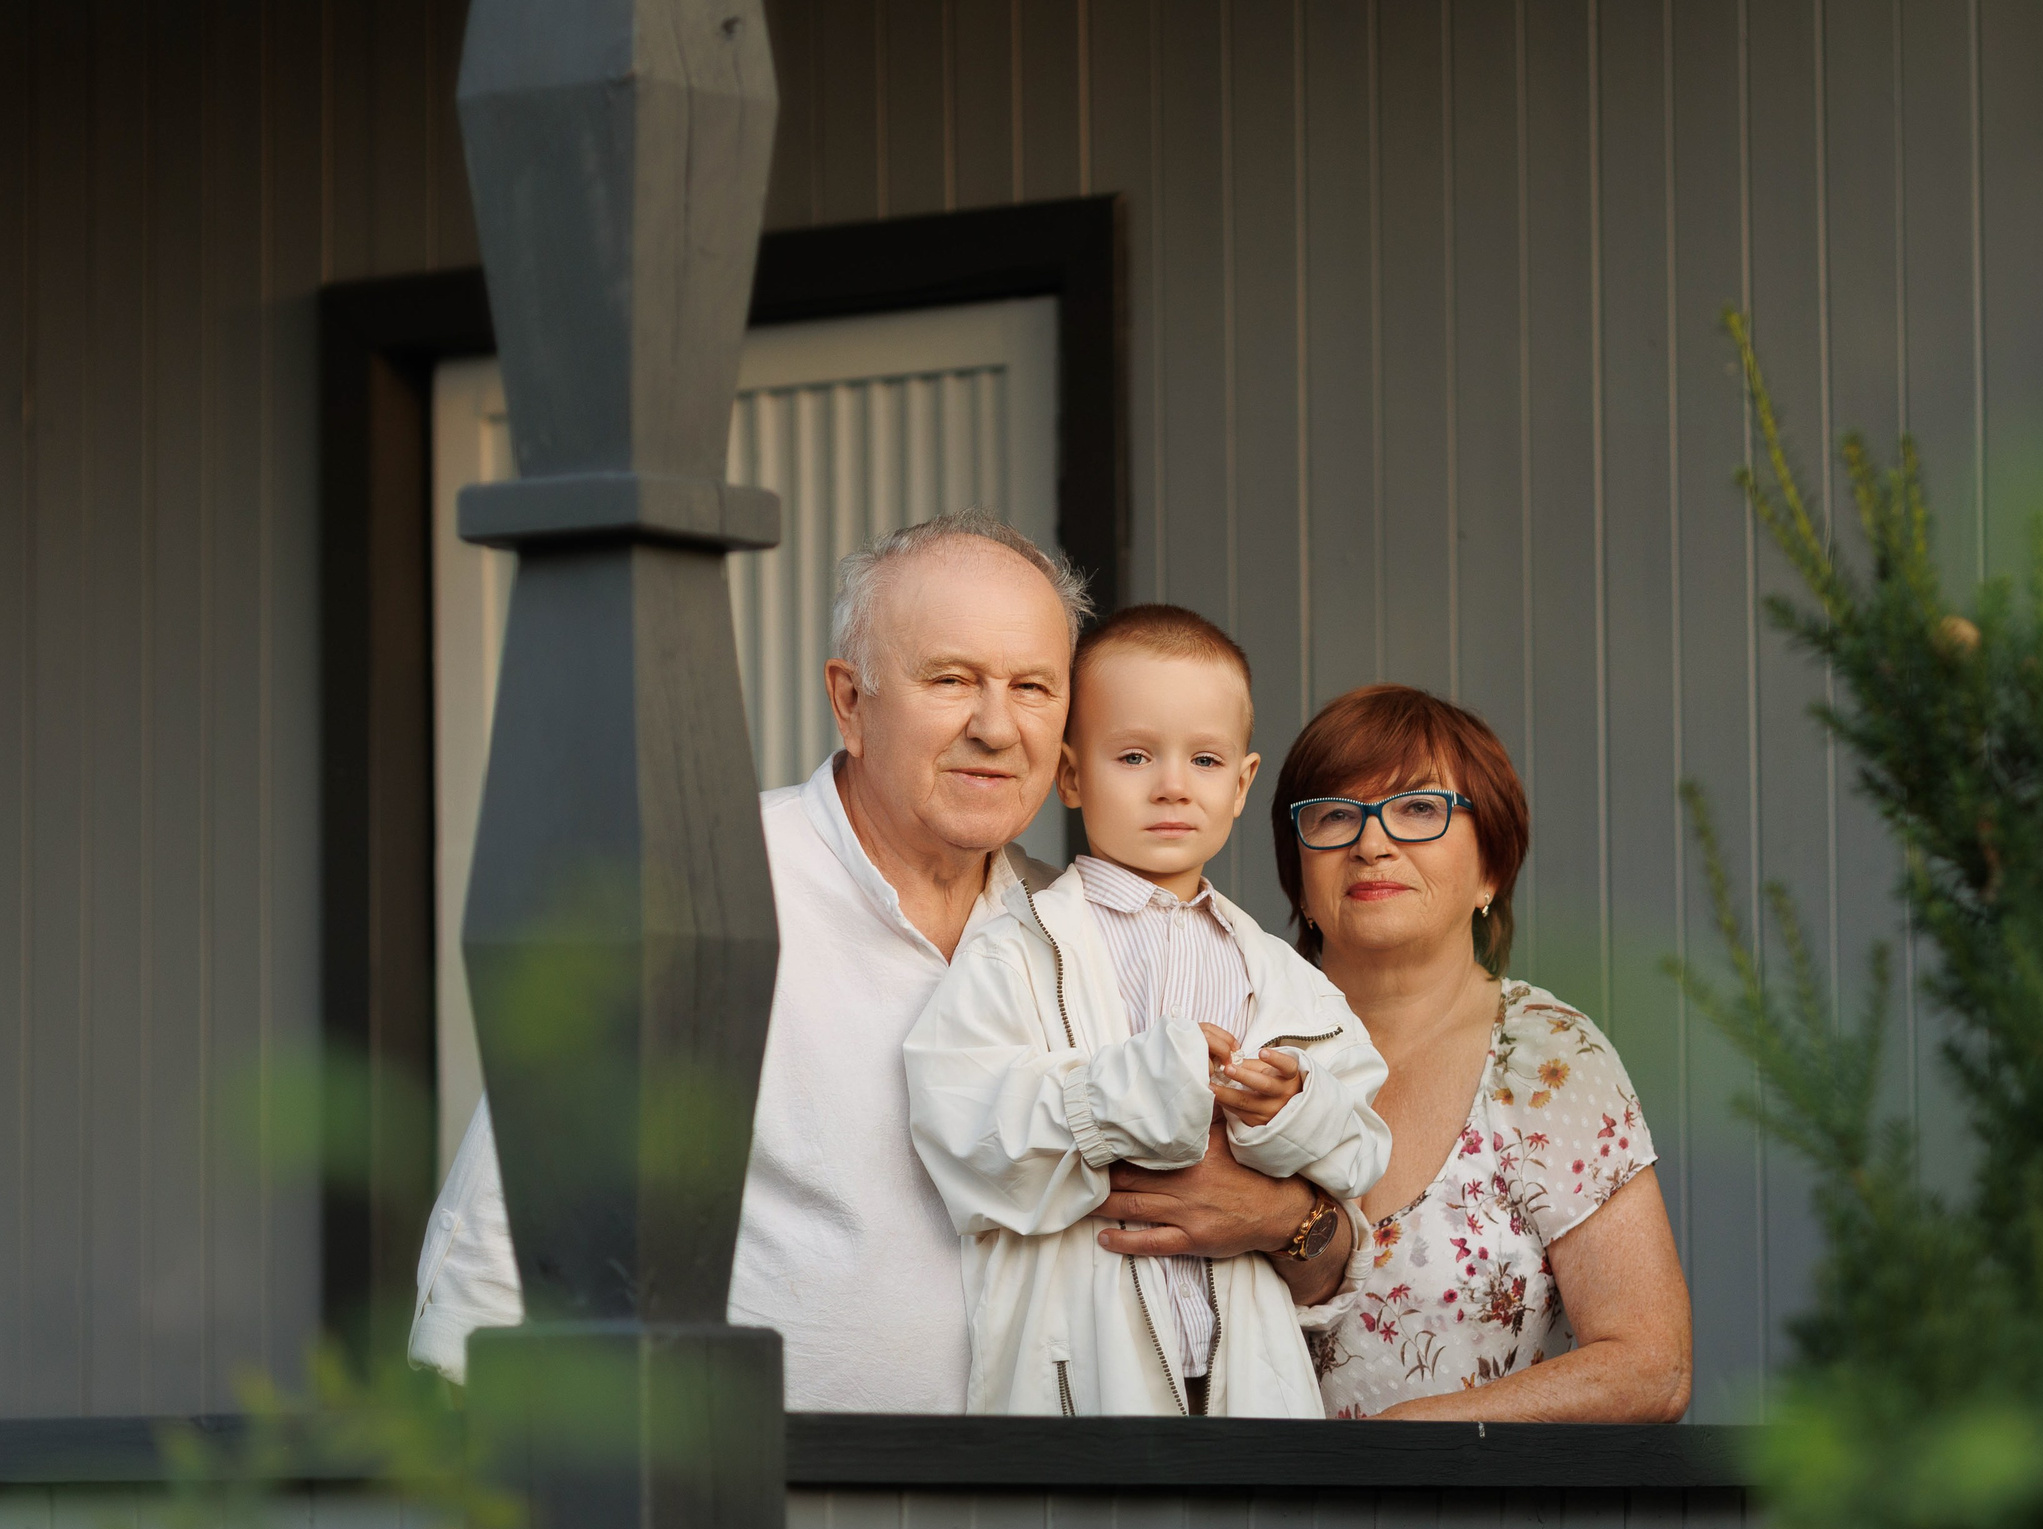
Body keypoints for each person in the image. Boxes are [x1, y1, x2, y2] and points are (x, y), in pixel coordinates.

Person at [407, 512, 1363, 1411]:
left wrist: (1286, 1220)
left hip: (1039, 1507)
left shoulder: (1079, 926)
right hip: (759, 1498)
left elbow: (1294, 1247)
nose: (997, 726)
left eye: (1032, 687)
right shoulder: (701, 890)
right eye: (951, 680)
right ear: (849, 700)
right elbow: (506, 1231)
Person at [905, 607, 1390, 1415]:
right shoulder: (1014, 952)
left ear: (1241, 784)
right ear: (1070, 775)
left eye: (1204, 759)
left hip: (1249, 1390)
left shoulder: (1283, 977)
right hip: (1081, 1386)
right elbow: (967, 1135)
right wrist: (1141, 1088)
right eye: (1133, 755)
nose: (1171, 785)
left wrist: (1291, 1112)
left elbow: (1361, 1147)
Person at [1275, 684, 1693, 1421]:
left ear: (1491, 871)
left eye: (1418, 809)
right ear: (1300, 879)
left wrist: (1411, 1441)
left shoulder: (1547, 1059)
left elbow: (1650, 1367)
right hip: (1224, 1527)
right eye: (1336, 815)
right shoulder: (1237, 1036)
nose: (1372, 843)